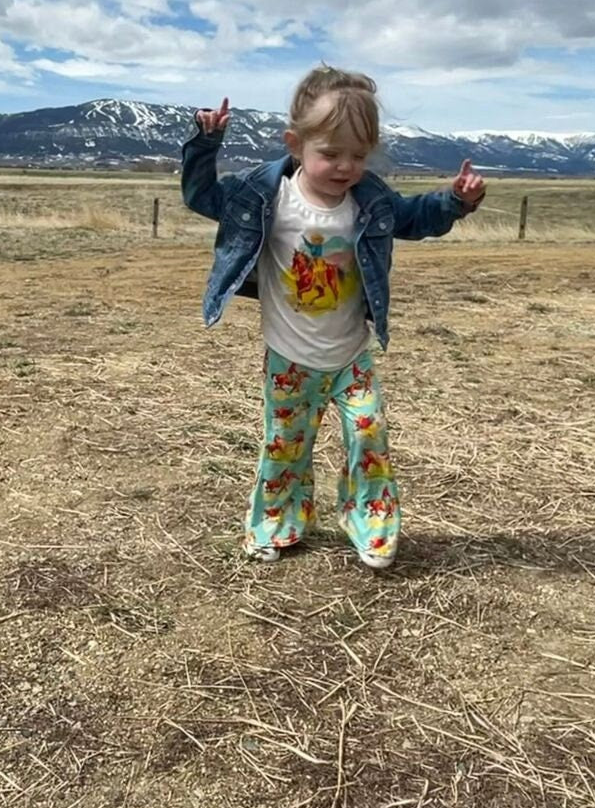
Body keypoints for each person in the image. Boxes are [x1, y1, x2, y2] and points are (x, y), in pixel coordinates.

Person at [181, 65, 486, 568]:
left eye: (358, 155)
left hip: (351, 357)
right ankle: (276, 526)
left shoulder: (369, 201)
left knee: (370, 439)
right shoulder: (267, 196)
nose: (345, 167)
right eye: (330, 153)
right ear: (295, 144)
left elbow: (413, 218)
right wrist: (204, 145)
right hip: (291, 359)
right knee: (284, 448)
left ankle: (370, 526)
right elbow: (201, 196)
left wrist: (455, 202)